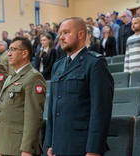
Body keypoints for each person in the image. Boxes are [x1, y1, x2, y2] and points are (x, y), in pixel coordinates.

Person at [45, 17, 114, 156]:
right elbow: (53, 108)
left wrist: (94, 150)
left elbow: (100, 111)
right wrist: (50, 143)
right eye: (60, 34)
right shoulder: (57, 65)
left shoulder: (95, 63)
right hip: (58, 145)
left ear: (81, 34)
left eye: (66, 33)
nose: (61, 37)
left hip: (81, 146)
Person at [0, 37, 46, 156]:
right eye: (8, 50)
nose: (9, 54)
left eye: (13, 49)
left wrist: (27, 149)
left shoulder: (34, 77)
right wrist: (0, 145)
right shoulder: (10, 78)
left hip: (20, 148)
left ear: (24, 53)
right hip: (6, 145)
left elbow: (33, 117)